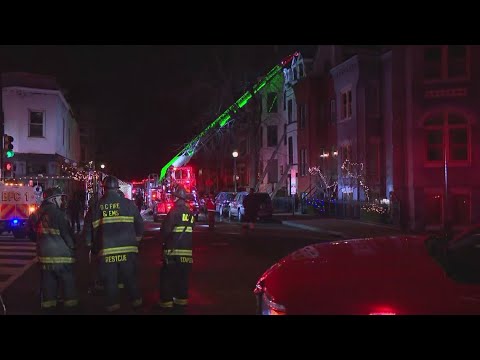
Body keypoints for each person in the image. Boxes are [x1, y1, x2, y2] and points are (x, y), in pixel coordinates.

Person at [84, 175, 144, 313]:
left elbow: (88, 227)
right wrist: (137, 240)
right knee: (129, 277)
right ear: (117, 189)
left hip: (107, 250)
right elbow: (140, 224)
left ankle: (113, 306)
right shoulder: (129, 204)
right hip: (128, 249)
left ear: (104, 189)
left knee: (110, 280)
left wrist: (89, 244)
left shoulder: (96, 206)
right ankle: (136, 302)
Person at [27, 187, 79, 314]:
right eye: (59, 198)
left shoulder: (36, 213)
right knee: (67, 279)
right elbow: (66, 234)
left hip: (44, 256)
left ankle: (49, 304)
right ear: (53, 199)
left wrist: (40, 242)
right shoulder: (58, 214)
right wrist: (73, 246)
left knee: (48, 280)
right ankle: (70, 305)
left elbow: (29, 232)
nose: (61, 201)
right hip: (62, 255)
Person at [155, 184, 195, 313]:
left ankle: (166, 303)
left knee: (167, 277)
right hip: (187, 252)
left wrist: (162, 242)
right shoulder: (190, 213)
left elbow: (165, 231)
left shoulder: (173, 212)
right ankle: (181, 301)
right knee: (182, 277)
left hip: (172, 251)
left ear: (177, 198)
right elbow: (191, 229)